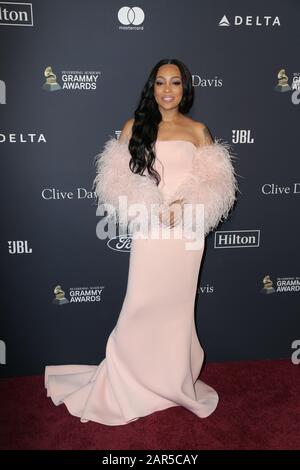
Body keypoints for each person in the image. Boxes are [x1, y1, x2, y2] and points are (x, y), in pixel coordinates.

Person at [44, 58, 240, 426]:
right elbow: (116, 180)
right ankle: (128, 379)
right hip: (150, 232)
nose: (168, 89)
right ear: (152, 87)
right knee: (140, 304)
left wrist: (185, 204)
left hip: (186, 234)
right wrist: (148, 207)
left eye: (175, 82)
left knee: (178, 310)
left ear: (186, 89)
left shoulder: (199, 130)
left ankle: (171, 380)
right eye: (161, 82)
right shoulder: (134, 126)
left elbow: (218, 184)